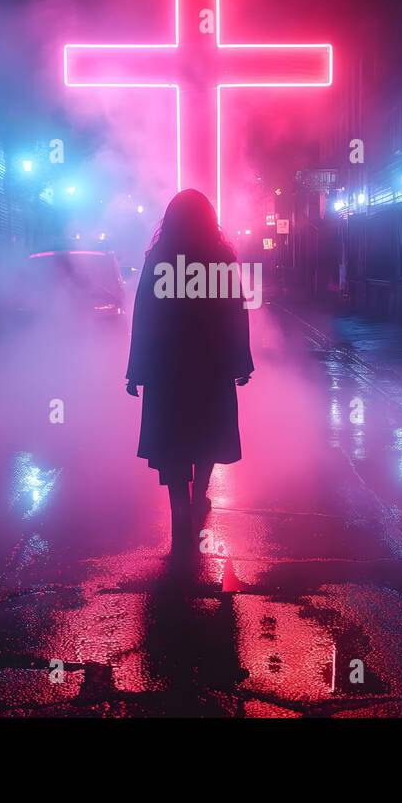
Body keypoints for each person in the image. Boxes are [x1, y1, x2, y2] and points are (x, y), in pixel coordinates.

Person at [125, 189, 254, 553]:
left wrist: (136, 370)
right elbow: (235, 313)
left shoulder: (161, 259)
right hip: (210, 367)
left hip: (169, 370)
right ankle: (200, 496)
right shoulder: (220, 258)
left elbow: (144, 316)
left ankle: (181, 510)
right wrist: (240, 362)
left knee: (173, 441)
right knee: (207, 435)